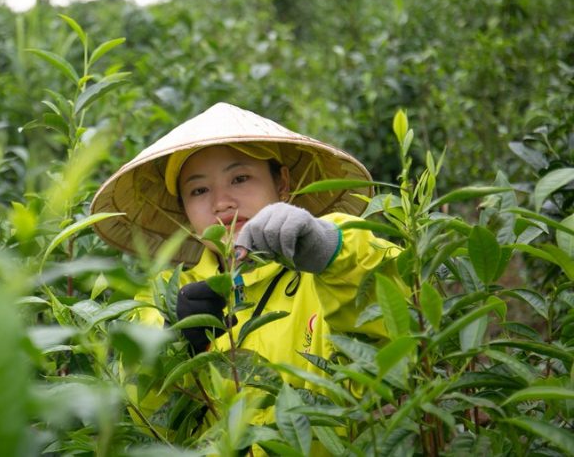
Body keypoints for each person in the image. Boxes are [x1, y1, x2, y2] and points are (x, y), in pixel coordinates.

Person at [90, 102, 403, 448]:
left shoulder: (332, 253)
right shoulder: (165, 297)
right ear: (183, 208)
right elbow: (150, 421)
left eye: (240, 179)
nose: (221, 203)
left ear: (282, 183)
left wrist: (327, 251)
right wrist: (177, 344)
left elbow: (401, 324)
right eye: (198, 191)